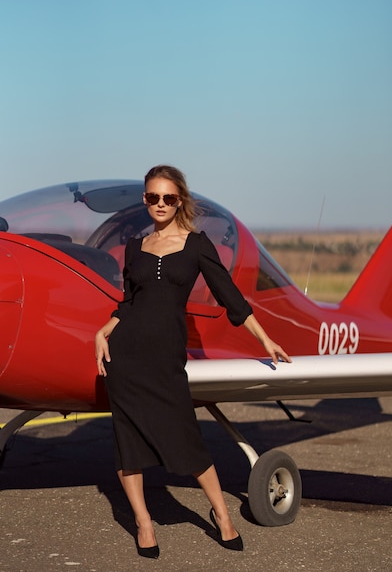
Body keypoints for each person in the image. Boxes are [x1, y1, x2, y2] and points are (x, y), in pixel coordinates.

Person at [95, 164, 291, 559]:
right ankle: (143, 523)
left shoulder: (198, 244)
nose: (160, 204)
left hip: (166, 359)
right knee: (127, 444)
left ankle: (221, 514)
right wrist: (104, 330)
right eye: (153, 197)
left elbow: (230, 296)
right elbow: (130, 300)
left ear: (179, 200)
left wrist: (265, 338)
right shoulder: (136, 246)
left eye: (168, 197)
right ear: (145, 200)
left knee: (188, 440)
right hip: (127, 356)